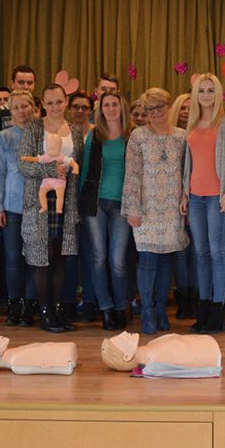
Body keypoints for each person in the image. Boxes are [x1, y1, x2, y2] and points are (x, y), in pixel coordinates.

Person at [122, 87, 189, 335]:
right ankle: (148, 311)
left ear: (169, 107)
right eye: (149, 108)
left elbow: (187, 172)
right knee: (148, 261)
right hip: (146, 209)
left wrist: (185, 198)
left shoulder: (181, 136)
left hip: (172, 208)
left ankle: (161, 309)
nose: (155, 112)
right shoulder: (138, 136)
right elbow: (132, 174)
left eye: (159, 107)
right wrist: (132, 208)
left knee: (166, 262)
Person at [18, 84, 83, 334]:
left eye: (59, 101)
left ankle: (58, 310)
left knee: (60, 257)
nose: (55, 106)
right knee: (42, 257)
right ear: (43, 104)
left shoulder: (74, 131)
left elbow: (77, 166)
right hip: (41, 203)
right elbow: (23, 164)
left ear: (66, 101)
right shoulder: (34, 128)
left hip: (66, 201)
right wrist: (50, 170)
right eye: (50, 102)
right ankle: (45, 313)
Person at [182, 74, 225, 332]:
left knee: (217, 252)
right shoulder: (193, 124)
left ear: (218, 94)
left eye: (210, 90)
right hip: (195, 197)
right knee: (200, 253)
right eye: (201, 90)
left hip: (218, 198)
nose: (206, 95)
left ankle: (218, 310)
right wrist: (184, 193)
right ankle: (204, 309)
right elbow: (189, 163)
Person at [79, 90, 133, 331]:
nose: (111, 109)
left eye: (114, 104)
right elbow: (85, 171)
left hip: (123, 204)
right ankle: (106, 309)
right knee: (98, 258)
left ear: (122, 107)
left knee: (117, 260)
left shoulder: (132, 135)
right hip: (96, 204)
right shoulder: (95, 135)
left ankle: (121, 307)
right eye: (106, 105)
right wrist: (81, 204)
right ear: (100, 110)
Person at [0, 89, 38, 327]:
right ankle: (14, 304)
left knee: (33, 259)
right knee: (12, 259)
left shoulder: (43, 135)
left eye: (25, 106)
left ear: (33, 107)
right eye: (16, 107)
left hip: (38, 207)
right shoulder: (4, 137)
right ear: (11, 111)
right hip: (12, 207)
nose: (21, 111)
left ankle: (29, 304)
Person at [167, 91, 198, 318]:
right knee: (179, 252)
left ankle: (195, 298)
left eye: (190, 108)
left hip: (198, 197)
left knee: (196, 251)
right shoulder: (170, 136)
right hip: (172, 200)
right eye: (183, 108)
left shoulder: (199, 134)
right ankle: (183, 298)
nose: (186, 112)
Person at [0, 65, 37, 134]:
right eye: (21, 82)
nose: (26, 87)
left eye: (30, 83)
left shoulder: (42, 109)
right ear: (12, 84)